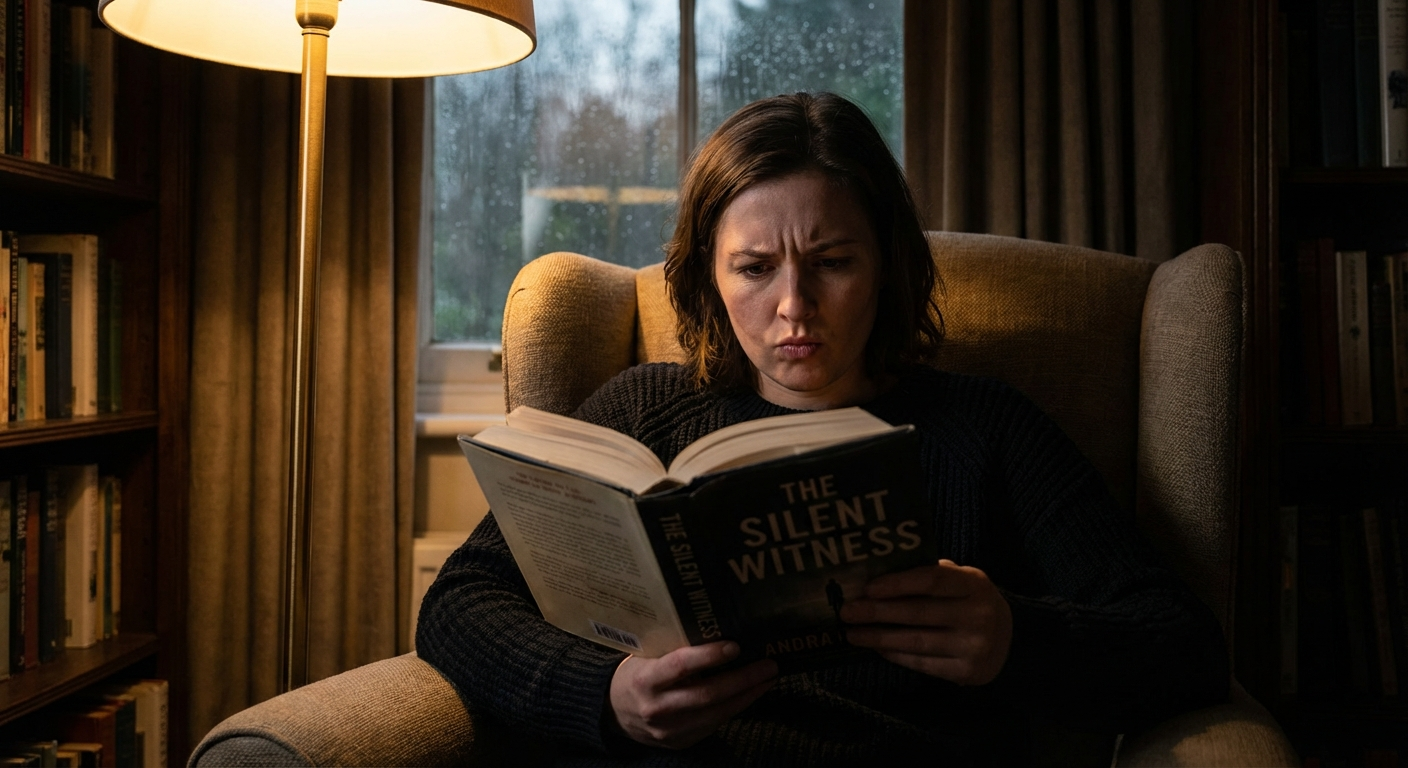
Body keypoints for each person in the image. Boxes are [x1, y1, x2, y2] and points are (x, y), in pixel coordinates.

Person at [416, 91, 1229, 766]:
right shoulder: (639, 412)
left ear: (887, 265)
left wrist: (1016, 636)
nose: (794, 307)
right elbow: (456, 604)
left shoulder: (988, 429)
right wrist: (604, 694)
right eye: (755, 267)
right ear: (706, 274)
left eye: (833, 262)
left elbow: (1184, 646)